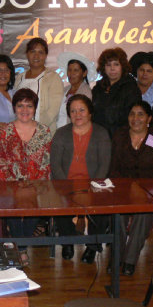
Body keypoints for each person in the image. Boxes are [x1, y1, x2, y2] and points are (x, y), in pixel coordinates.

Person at [109, 101, 153, 275]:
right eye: (132, 114)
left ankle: (130, 259)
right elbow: (113, 167)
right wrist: (124, 188)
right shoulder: (120, 136)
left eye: (140, 114)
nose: (135, 118)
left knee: (143, 215)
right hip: (123, 189)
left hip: (150, 192)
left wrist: (147, 188)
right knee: (119, 217)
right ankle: (117, 256)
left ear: (149, 118)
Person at [50, 94, 111, 261]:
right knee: (58, 203)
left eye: (82, 110)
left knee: (101, 204)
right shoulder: (61, 134)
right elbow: (55, 165)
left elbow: (104, 165)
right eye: (73, 111)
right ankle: (68, 242)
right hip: (66, 183)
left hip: (93, 183)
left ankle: (92, 246)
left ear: (90, 112)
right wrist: (67, 187)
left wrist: (91, 187)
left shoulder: (101, 133)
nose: (77, 114)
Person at [0, 88, 52, 241]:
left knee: (31, 213)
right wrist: (15, 186)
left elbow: (46, 163)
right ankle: (21, 249)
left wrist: (34, 186)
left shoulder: (44, 131)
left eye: (29, 106)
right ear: (14, 108)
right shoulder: (5, 132)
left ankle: (20, 247)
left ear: (35, 108)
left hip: (37, 186)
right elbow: (2, 163)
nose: (25, 110)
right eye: (20, 105)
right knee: (13, 212)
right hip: (11, 186)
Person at [14, 37, 64, 134]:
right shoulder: (19, 78)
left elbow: (52, 112)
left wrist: (33, 130)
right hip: (19, 133)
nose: (36, 56)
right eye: (32, 51)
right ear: (27, 54)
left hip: (43, 133)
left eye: (40, 52)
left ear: (45, 56)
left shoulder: (53, 78)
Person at [92, 47, 141, 137]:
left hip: (121, 138)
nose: (112, 68)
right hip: (98, 137)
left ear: (122, 66)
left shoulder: (131, 88)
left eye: (116, 64)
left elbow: (133, 119)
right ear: (103, 68)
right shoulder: (98, 88)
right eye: (108, 65)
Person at [56, 54, 93, 128]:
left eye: (76, 70)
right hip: (58, 132)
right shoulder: (65, 89)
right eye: (69, 70)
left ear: (84, 73)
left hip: (72, 132)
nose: (71, 74)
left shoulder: (86, 92)